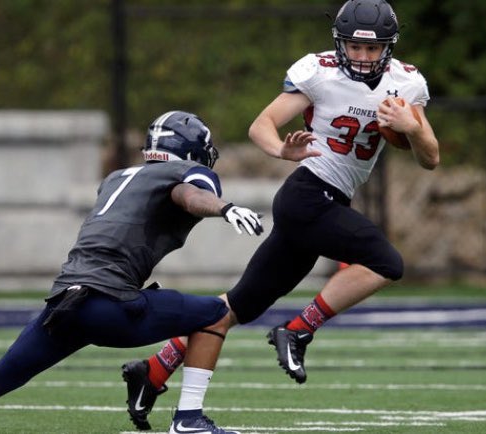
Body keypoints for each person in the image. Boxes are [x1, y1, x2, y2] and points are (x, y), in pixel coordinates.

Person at [121, 0, 440, 430]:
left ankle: (154, 370)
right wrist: (281, 151)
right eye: (355, 48)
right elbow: (262, 125)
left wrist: (413, 126)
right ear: (340, 43)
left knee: (236, 306)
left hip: (330, 202)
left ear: (388, 47)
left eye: (372, 49)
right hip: (306, 195)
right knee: (387, 262)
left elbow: (431, 159)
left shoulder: (406, 83)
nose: (363, 58)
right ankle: (299, 330)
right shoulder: (319, 72)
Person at [0, 110, 263, 434]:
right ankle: (188, 418)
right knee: (215, 313)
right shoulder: (184, 174)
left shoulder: (116, 176)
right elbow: (186, 194)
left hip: (66, 300)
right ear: (191, 150)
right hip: (112, 303)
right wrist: (224, 208)